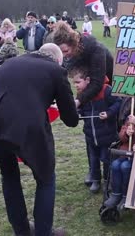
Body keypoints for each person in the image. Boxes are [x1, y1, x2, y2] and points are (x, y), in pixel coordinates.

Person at [0, 46, 78, 236]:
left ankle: (21, 231)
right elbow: (71, 120)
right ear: (57, 60)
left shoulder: (9, 63)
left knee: (9, 174)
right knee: (46, 179)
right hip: (24, 127)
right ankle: (43, 232)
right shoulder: (55, 70)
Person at [52, 21, 114, 185]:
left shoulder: (96, 49)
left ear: (74, 44)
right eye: (61, 52)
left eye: (65, 51)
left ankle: (110, 173)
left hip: (106, 94)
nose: (64, 55)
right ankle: (93, 172)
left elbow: (97, 82)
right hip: (87, 94)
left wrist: (78, 101)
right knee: (89, 132)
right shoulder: (71, 56)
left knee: (106, 134)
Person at [70, 67, 121, 193]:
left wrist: (108, 113)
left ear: (87, 80)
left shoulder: (106, 90)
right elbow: (81, 109)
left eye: (77, 82)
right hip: (90, 136)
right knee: (93, 160)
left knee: (106, 160)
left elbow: (118, 102)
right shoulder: (82, 95)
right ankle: (96, 180)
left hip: (107, 135)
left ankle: (107, 181)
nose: (75, 85)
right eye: (74, 83)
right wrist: (78, 113)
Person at [103, 102, 135, 208]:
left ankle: (126, 195)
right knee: (115, 165)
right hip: (125, 154)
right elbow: (121, 138)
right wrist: (127, 133)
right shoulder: (129, 122)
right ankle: (116, 194)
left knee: (125, 167)